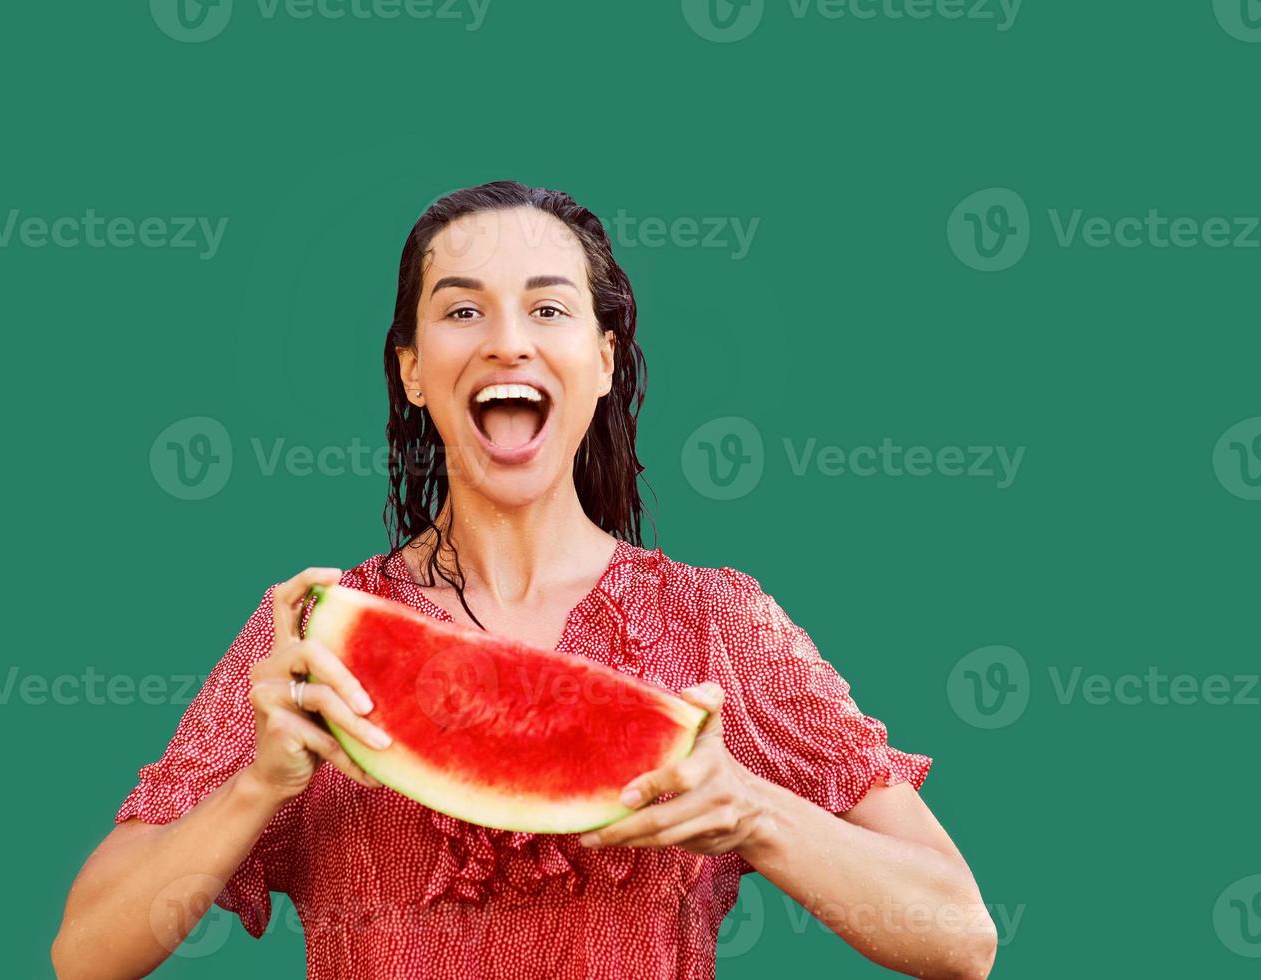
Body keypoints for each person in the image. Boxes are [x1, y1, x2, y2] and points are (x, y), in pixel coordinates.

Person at [51, 181, 997, 979]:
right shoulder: (315, 642)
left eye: (548, 309)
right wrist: (259, 785)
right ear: (413, 371)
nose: (507, 342)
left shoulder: (714, 624)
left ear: (601, 362)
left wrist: (754, 810)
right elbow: (83, 952)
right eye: (463, 310)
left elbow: (963, 936)